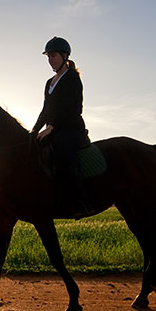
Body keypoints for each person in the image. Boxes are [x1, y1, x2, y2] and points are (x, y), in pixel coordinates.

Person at [31, 36, 91, 217]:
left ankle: (80, 203)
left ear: (65, 56)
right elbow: (45, 110)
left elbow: (74, 108)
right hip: (54, 128)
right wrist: (34, 131)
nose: (50, 60)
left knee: (63, 154)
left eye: (53, 55)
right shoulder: (49, 82)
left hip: (71, 129)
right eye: (48, 56)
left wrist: (53, 127)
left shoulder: (72, 77)